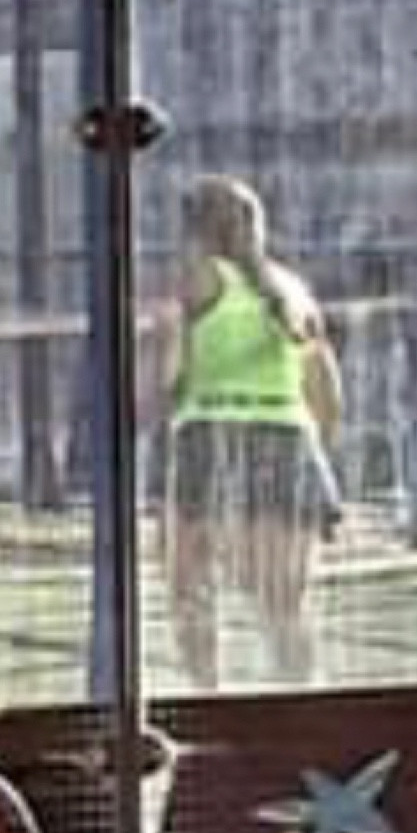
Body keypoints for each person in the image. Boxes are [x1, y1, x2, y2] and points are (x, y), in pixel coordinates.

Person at [165, 174, 344, 689]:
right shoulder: (292, 291)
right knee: (284, 604)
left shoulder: (196, 281)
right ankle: (303, 706)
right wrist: (315, 457)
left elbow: (169, 373)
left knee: (192, 592)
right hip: (288, 439)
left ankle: (206, 701)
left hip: (210, 435)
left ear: (193, 231)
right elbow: (328, 393)